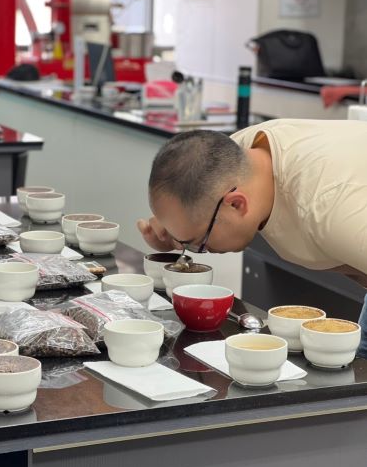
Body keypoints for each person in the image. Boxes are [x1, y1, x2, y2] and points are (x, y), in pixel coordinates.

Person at [137, 119, 367, 358]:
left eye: (199, 243)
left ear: (236, 204)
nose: (198, 251)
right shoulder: (236, 156)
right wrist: (174, 235)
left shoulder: (327, 209)